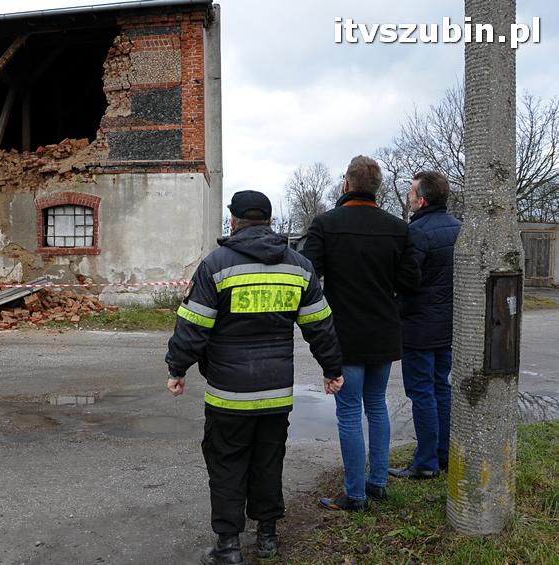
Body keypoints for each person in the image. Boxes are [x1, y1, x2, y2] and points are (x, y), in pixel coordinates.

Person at [165, 190, 343, 565]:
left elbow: (193, 325)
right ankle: (267, 537)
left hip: (229, 393)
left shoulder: (216, 265)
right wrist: (332, 369)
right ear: (270, 221)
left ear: (233, 221)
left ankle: (228, 546)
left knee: (227, 463)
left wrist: (177, 368)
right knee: (268, 460)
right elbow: (320, 325)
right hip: (276, 392)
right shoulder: (298, 267)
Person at [301, 155, 420, 512]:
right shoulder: (399, 228)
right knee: (376, 407)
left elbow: (309, 276)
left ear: (346, 184)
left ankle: (355, 494)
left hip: (345, 334)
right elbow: (411, 281)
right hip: (383, 332)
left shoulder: (326, 224)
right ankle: (378, 483)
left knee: (350, 413)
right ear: (377, 188)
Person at [389, 171, 461, 480]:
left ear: (423, 199)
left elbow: (407, 279)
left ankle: (426, 462)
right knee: (440, 388)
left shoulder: (417, 232)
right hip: (447, 325)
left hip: (418, 326)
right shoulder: (460, 229)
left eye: (410, 194)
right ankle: (443, 455)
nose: (408, 198)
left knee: (422, 392)